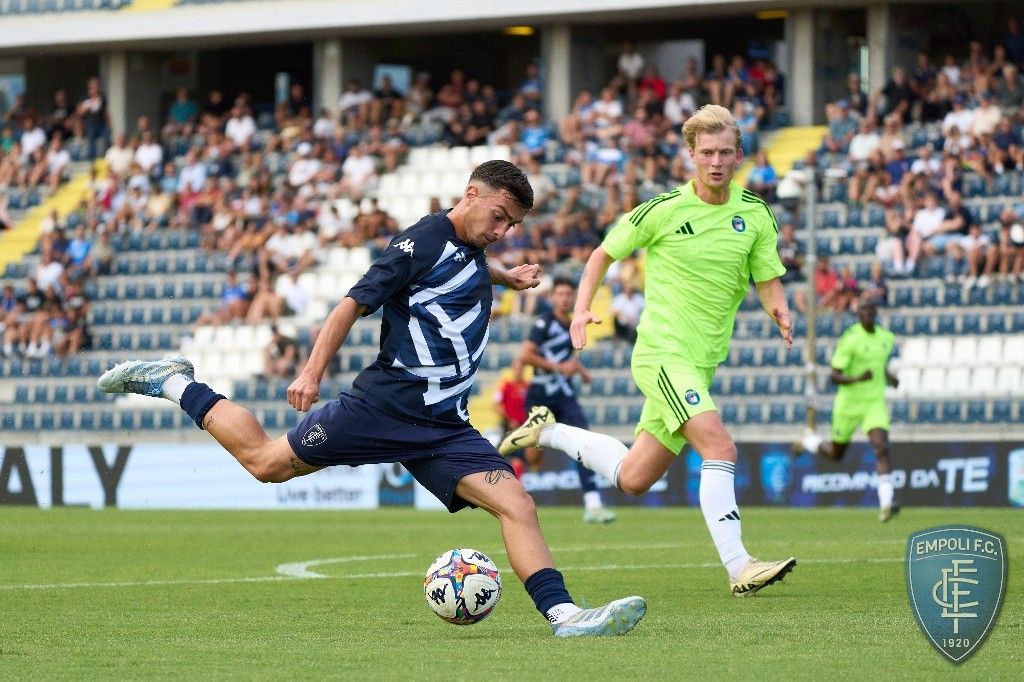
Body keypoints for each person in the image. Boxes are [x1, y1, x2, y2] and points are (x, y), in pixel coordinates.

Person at [97, 160, 646, 638]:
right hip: (384, 408)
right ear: (471, 194)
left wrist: (507, 278)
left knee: (518, 504)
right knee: (265, 463)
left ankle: (565, 616)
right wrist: (311, 372)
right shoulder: (419, 241)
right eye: (499, 216)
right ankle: (175, 382)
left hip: (445, 425)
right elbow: (350, 305)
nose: (503, 231)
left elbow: (466, 266)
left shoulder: (470, 248)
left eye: (513, 225)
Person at [500, 105, 796, 597]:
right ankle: (739, 566)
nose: (716, 161)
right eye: (707, 152)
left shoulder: (756, 215)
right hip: (662, 355)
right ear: (691, 155)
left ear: (739, 155)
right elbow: (603, 254)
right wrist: (581, 308)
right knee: (719, 447)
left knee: (634, 477)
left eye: (725, 152)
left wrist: (779, 309)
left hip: (701, 364)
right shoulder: (662, 210)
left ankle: (547, 431)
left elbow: (768, 278)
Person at [515, 277, 615, 524]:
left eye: (569, 294)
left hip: (564, 394)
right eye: (560, 294)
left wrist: (581, 372)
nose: (565, 299)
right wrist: (559, 368)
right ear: (552, 298)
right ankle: (514, 474)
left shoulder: (573, 325)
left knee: (584, 441)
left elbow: (567, 358)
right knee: (533, 457)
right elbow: (525, 355)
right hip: (540, 394)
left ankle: (593, 504)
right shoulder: (543, 323)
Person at [792, 299, 900, 522]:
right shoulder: (850, 339)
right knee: (836, 454)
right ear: (858, 314)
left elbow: (880, 365)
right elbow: (834, 376)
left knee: (881, 446)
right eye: (864, 310)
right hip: (848, 404)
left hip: (873, 403)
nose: (868, 314)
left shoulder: (886, 338)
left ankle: (886, 503)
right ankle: (809, 440)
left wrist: (891, 378)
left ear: (876, 312)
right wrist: (858, 378)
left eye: (871, 310)